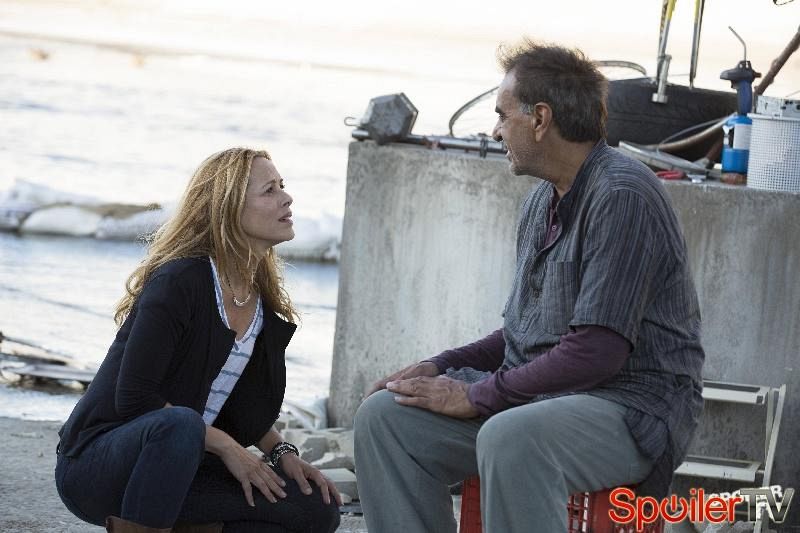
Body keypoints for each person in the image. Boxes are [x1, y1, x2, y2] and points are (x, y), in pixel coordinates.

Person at [354, 40, 704, 532]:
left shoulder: (623, 195)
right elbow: (521, 334)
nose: (495, 130)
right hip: (536, 400)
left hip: (631, 407)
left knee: (512, 437)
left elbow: (597, 351)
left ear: (540, 119)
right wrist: (439, 365)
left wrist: (477, 396)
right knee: (385, 418)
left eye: (502, 115)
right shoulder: (541, 202)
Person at [55, 148, 341, 533]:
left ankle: (172, 526)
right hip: (99, 466)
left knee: (315, 508)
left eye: (282, 187)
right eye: (269, 190)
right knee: (181, 424)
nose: (286, 198)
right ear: (228, 207)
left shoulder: (258, 299)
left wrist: (282, 452)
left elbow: (237, 404)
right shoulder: (179, 281)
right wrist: (227, 447)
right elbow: (135, 399)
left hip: (185, 462)